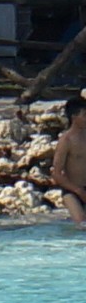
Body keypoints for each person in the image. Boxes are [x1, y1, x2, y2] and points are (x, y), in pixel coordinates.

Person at [52, 94, 86, 227]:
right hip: (72, 191)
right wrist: (79, 191)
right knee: (82, 225)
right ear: (74, 117)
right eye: (84, 115)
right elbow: (56, 173)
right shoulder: (66, 140)